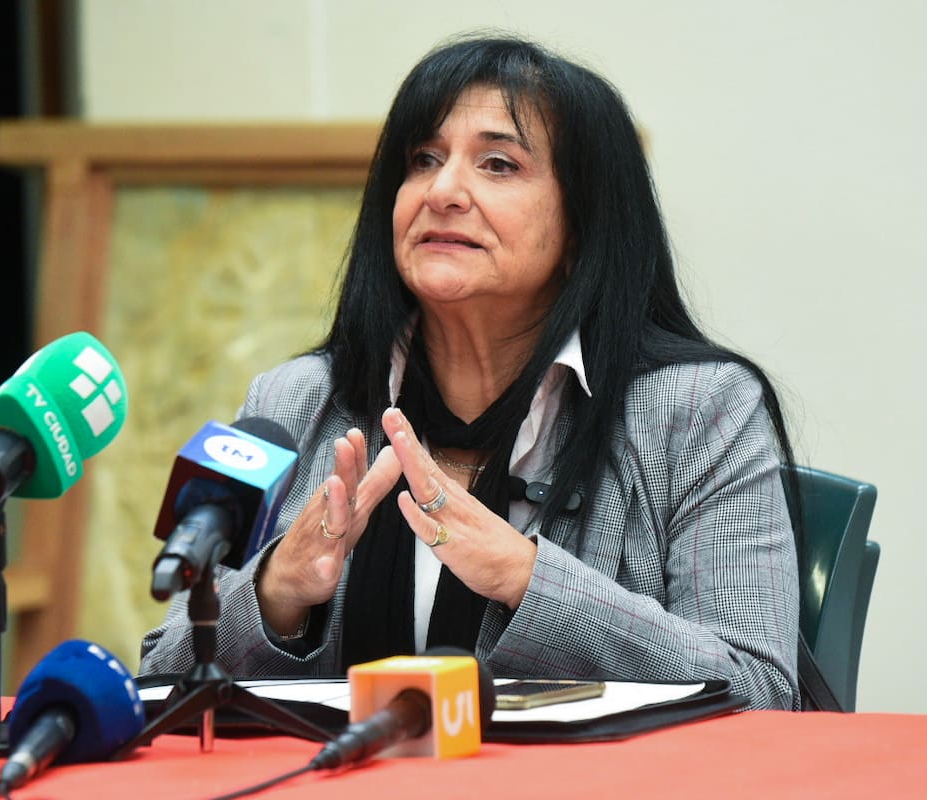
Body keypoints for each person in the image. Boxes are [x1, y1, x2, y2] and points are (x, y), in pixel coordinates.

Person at [139, 32, 801, 710]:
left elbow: (761, 693)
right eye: (423, 159)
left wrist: (527, 579)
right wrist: (273, 594)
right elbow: (161, 679)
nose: (444, 190)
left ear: (582, 227)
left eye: (498, 164)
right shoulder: (296, 402)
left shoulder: (700, 410)